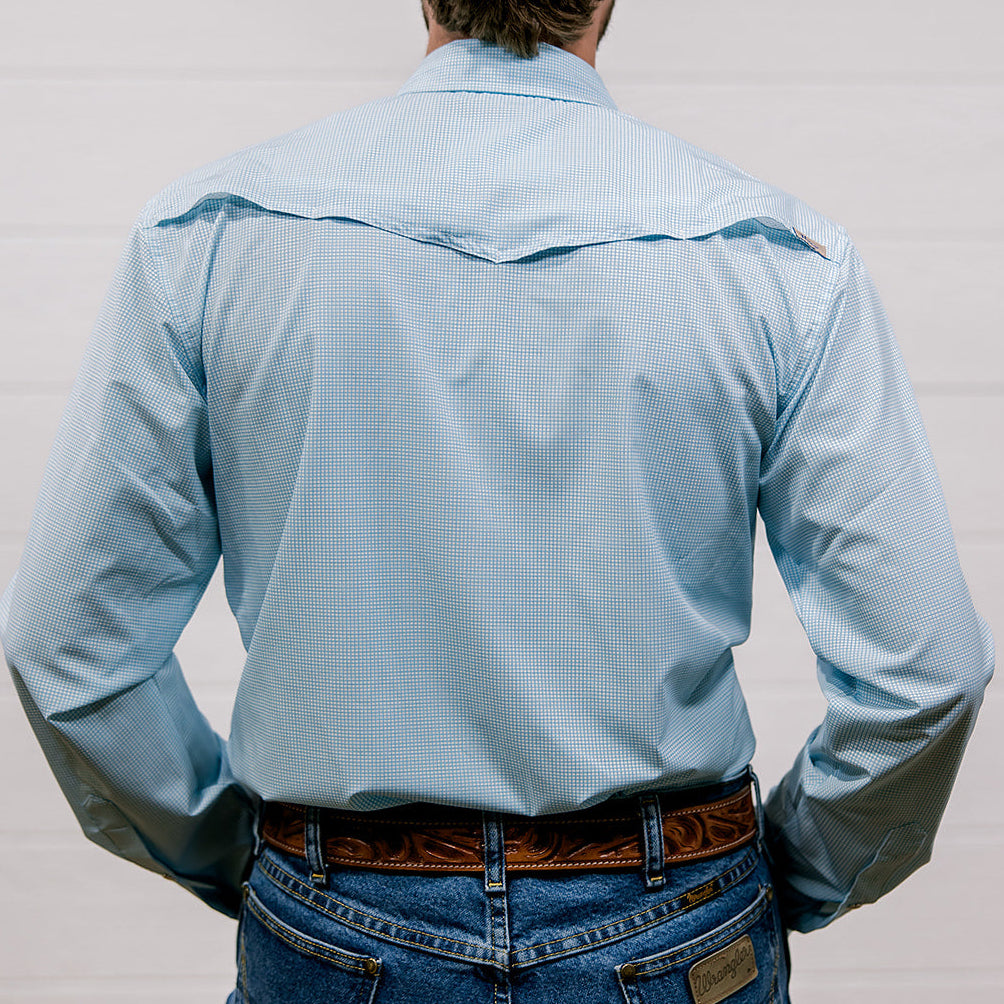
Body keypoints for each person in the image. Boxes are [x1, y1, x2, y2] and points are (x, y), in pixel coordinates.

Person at [0, 1, 994, 1001]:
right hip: (679, 921)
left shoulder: (205, 240)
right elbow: (924, 674)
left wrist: (252, 854)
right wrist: (791, 870)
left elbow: (70, 645)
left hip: (336, 912)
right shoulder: (779, 261)